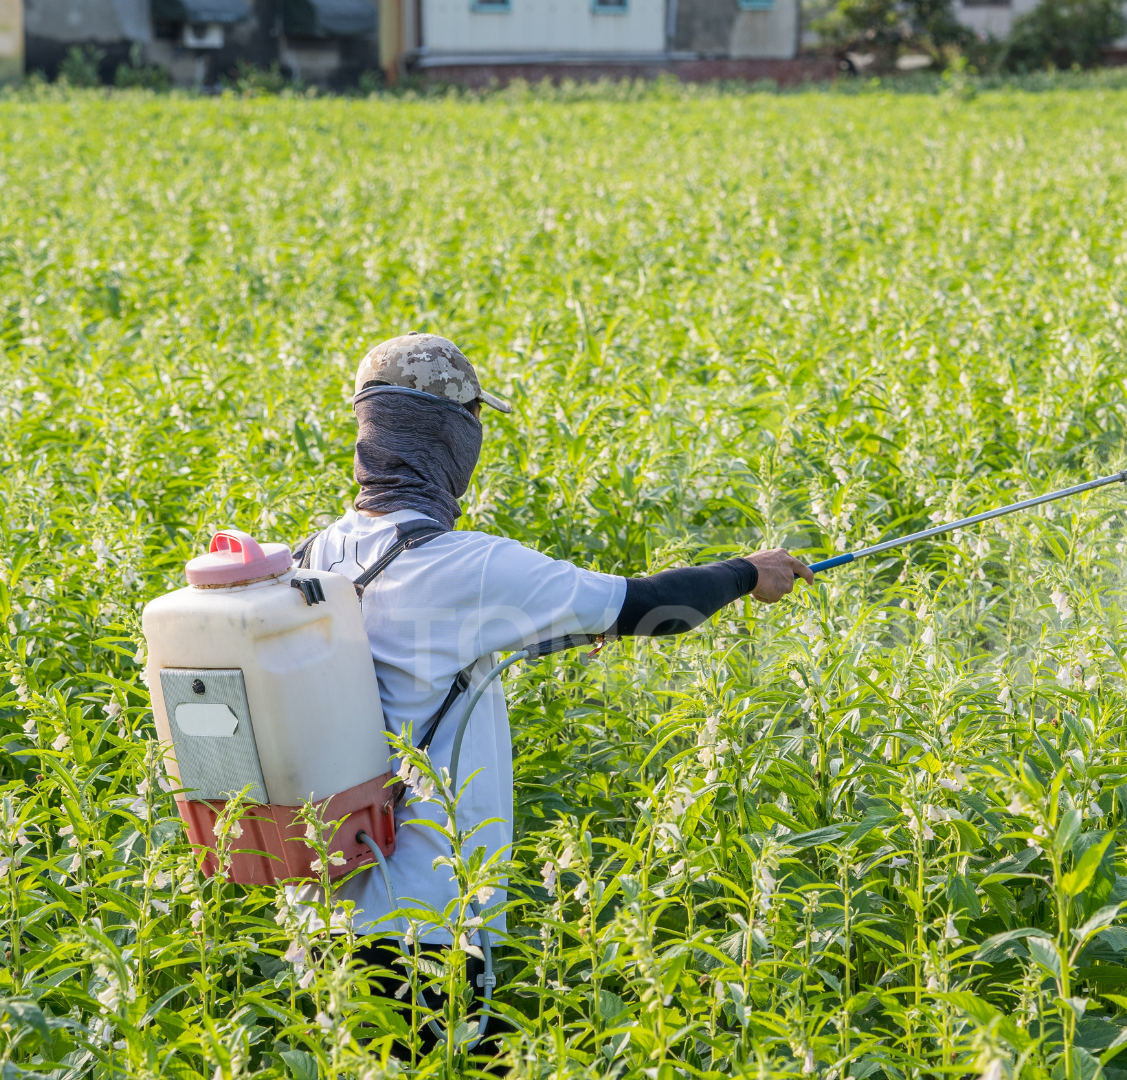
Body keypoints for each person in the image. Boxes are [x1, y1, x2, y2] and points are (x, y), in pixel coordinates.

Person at [290, 332, 812, 1050]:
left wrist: (555, 630)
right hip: (427, 922)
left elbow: (411, 649)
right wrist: (747, 573)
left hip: (322, 914)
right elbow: (653, 606)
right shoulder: (464, 566)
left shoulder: (312, 555)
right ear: (450, 436)